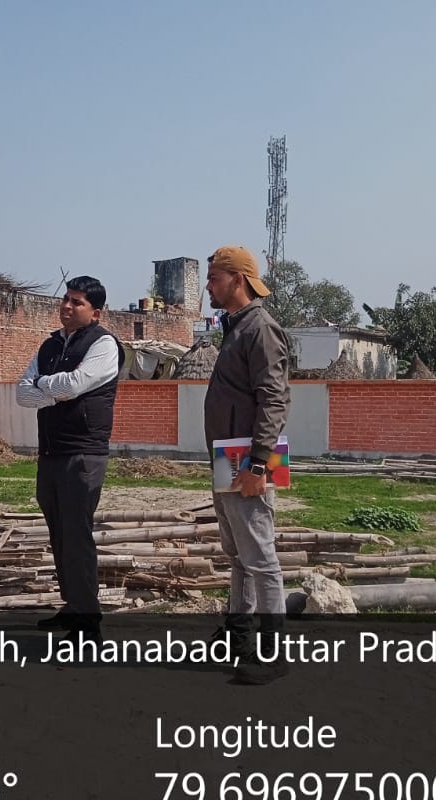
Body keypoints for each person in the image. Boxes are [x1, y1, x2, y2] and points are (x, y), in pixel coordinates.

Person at [203, 246, 292, 684]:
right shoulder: (236, 326)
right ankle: (238, 636)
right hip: (228, 455)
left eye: (214, 278)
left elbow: (274, 400)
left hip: (248, 459)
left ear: (238, 280)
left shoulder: (260, 328)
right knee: (238, 554)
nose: (208, 286)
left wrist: (259, 465)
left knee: (260, 558)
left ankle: (274, 653)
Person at [15, 276, 122, 639]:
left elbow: (76, 385)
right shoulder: (49, 345)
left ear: (96, 312)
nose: (66, 306)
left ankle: (88, 621)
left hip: (83, 453)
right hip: (50, 452)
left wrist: (44, 385)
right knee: (60, 534)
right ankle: (72, 605)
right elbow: (22, 393)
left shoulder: (104, 344)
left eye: (77, 302)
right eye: (66, 299)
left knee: (77, 535)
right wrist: (53, 390)